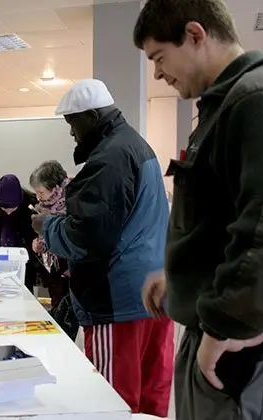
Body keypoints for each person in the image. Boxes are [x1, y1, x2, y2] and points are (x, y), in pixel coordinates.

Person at [134, 1, 263, 419]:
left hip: (250, 341)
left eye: (159, 57)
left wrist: (227, 325)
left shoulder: (260, 100)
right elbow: (224, 220)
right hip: (226, 331)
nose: (158, 73)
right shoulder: (223, 107)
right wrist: (181, 278)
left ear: (196, 35)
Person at [31, 79, 173, 416]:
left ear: (93, 115)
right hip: (154, 292)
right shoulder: (138, 147)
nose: (72, 134)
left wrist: (47, 225)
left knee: (114, 401)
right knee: (152, 393)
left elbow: (89, 238)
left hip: (117, 300)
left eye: (73, 123)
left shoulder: (109, 159)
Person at [29, 161, 78, 341]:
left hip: (74, 266)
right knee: (58, 309)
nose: (38, 197)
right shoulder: (44, 204)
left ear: (55, 188)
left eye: (41, 192)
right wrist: (39, 242)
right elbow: (44, 233)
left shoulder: (76, 199)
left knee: (72, 315)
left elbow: (74, 235)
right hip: (55, 268)